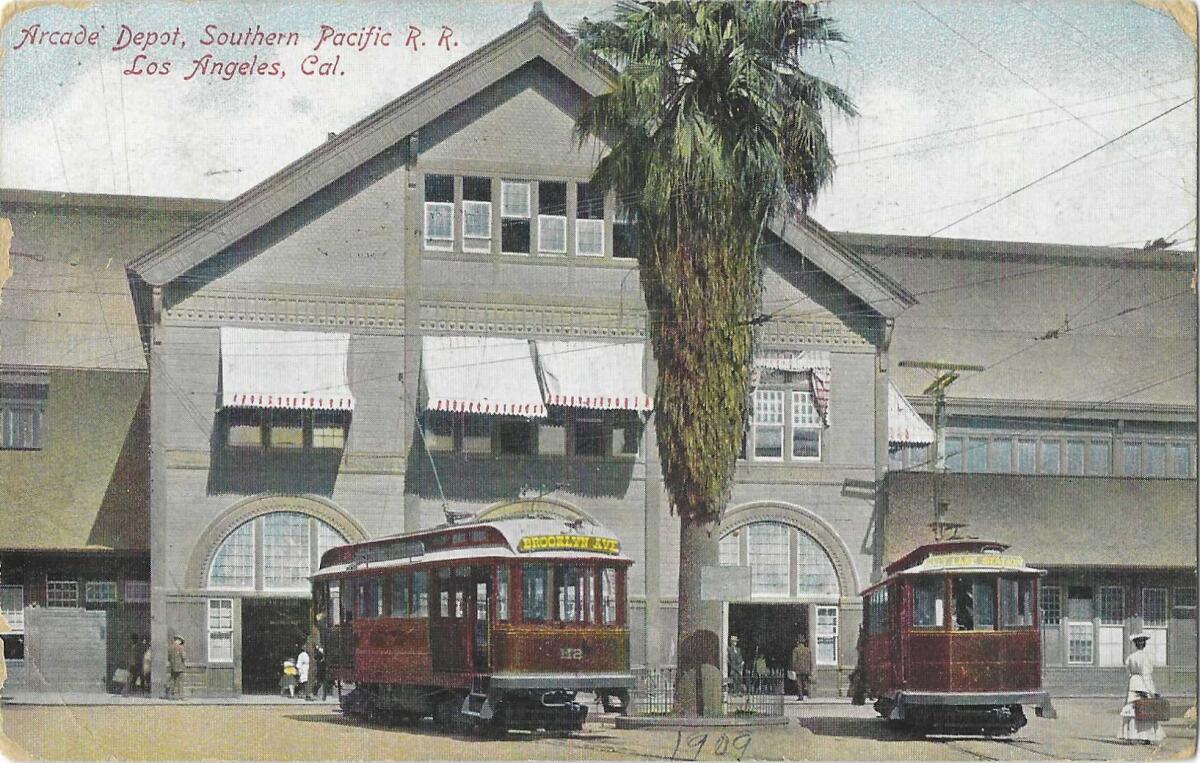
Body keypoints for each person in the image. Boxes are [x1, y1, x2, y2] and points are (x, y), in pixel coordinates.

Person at [1119, 633, 1165, 744]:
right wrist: (1152, 691)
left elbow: (1129, 672)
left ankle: (1131, 735)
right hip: (1144, 684)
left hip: (1133, 684)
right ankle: (1146, 736)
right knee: (1146, 710)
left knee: (1132, 710)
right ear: (1144, 644)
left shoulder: (1130, 657)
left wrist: (1133, 681)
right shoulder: (1146, 657)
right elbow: (1146, 675)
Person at [791, 637, 813, 701]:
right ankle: (809, 694)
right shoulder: (808, 650)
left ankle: (801, 696)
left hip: (799, 670)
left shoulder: (796, 650)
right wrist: (810, 670)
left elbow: (794, 661)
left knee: (799, 683)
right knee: (806, 682)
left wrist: (794, 669)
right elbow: (810, 661)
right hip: (806, 669)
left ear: (798, 643)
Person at [166, 636, 186, 700]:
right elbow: (184, 657)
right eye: (180, 641)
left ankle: (172, 696)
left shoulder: (170, 648)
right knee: (180, 682)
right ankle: (181, 696)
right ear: (179, 641)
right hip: (180, 667)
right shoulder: (181, 648)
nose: (180, 642)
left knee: (173, 681)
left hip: (173, 667)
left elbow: (168, 658)